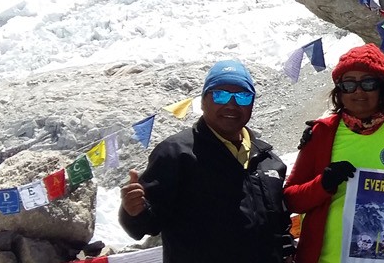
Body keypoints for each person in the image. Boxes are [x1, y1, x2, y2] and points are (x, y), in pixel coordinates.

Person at [119, 60, 294, 262]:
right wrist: (133, 211)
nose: (231, 104)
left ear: (253, 103)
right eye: (220, 95)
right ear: (203, 101)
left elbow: (278, 228)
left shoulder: (268, 161)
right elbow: (145, 225)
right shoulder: (177, 154)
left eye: (243, 96)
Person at [285, 45, 384, 263]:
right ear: (339, 91)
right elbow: (291, 199)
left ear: (382, 87)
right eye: (348, 84)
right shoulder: (321, 133)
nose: (358, 91)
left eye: (368, 83)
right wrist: (323, 184)